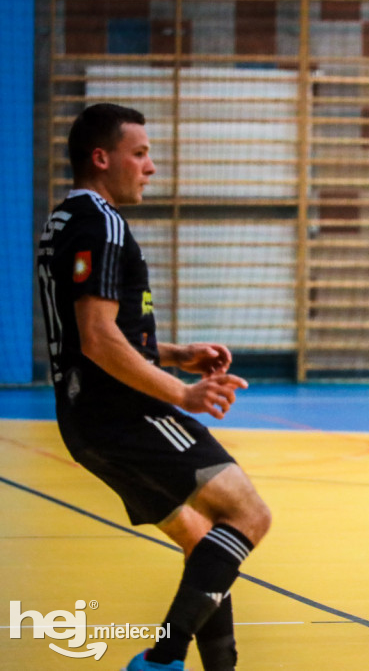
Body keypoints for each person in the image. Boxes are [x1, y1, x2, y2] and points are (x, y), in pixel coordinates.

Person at [36, 103, 272, 670]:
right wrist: (180, 391)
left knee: (205, 543)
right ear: (102, 157)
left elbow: (88, 335)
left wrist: (175, 354)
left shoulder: (63, 220)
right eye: (139, 154)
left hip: (84, 421)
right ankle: (162, 661)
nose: (150, 167)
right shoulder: (105, 224)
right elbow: (97, 340)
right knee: (249, 516)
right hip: (124, 412)